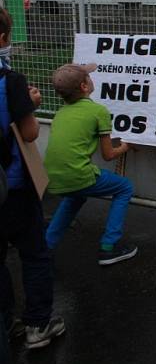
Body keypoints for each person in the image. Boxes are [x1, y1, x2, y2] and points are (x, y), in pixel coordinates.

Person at [0, 7, 66, 350]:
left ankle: (7, 321)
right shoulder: (10, 81)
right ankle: (38, 324)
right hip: (12, 186)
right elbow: (27, 133)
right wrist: (31, 104)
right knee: (34, 253)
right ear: (2, 39)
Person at [44, 63, 138, 266]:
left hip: (54, 176)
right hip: (78, 174)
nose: (91, 78)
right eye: (88, 76)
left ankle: (46, 245)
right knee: (124, 187)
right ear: (85, 87)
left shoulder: (61, 112)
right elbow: (108, 155)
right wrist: (127, 146)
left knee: (74, 198)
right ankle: (109, 246)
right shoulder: (98, 111)